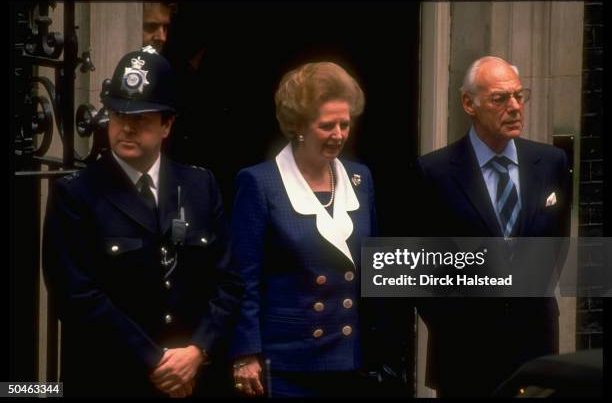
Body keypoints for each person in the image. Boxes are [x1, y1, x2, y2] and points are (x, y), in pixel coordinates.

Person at [42, 46, 243, 397]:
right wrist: (155, 360)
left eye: (142, 119)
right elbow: (77, 298)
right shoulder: (76, 194)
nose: (126, 129)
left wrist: (198, 350)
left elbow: (228, 280)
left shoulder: (199, 186)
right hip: (111, 378)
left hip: (193, 377)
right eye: (118, 116)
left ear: (167, 125)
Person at [415, 56, 571, 397]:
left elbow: (558, 244)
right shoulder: (434, 172)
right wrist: (456, 326)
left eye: (519, 96)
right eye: (500, 99)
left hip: (536, 347)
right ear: (469, 103)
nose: (514, 107)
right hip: (465, 354)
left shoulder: (551, 162)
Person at [228, 62, 386, 397]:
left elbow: (372, 268)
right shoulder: (260, 183)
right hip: (287, 362)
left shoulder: (361, 179)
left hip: (348, 359)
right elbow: (245, 278)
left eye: (345, 124)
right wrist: (245, 352)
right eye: (327, 125)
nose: (339, 135)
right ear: (299, 126)